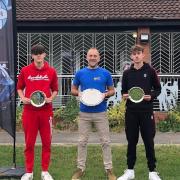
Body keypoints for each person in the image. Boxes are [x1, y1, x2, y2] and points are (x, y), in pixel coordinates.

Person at [71, 48, 116, 180]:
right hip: (84, 113)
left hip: (101, 112)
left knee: (106, 142)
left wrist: (105, 94)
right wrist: (79, 93)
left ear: (99, 58)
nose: (92, 58)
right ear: (86, 57)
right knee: (82, 142)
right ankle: (80, 169)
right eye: (90, 55)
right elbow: (73, 89)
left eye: (95, 56)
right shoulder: (80, 73)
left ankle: (109, 169)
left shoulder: (105, 73)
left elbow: (112, 90)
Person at [117, 45, 162, 180]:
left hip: (146, 111)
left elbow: (158, 89)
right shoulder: (127, 73)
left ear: (143, 55)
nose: (136, 56)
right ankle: (130, 170)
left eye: (139, 53)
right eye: (134, 54)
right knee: (131, 140)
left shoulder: (150, 71)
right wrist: (124, 95)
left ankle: (152, 171)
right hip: (131, 112)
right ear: (131, 56)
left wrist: (151, 96)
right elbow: (123, 91)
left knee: (149, 140)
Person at [17, 44, 58, 180]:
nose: (38, 55)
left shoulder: (51, 71)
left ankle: (45, 171)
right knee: (29, 143)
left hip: (46, 112)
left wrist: (50, 98)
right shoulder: (25, 70)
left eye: (41, 53)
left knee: (47, 142)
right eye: (35, 53)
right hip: (30, 112)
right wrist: (23, 98)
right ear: (32, 56)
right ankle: (29, 171)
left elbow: (55, 89)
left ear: (45, 54)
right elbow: (19, 87)